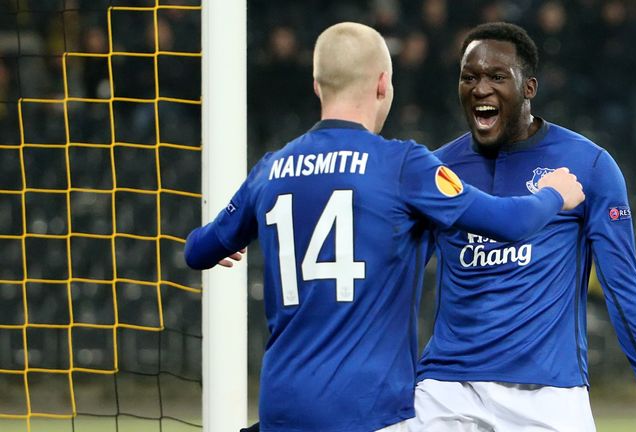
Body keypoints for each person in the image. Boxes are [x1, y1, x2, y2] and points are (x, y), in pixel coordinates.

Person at [184, 22, 585, 432]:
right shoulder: (402, 165)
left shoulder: (270, 170)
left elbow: (197, 251)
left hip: (281, 409)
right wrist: (553, 194)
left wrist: (228, 241)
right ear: (382, 84)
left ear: (318, 86)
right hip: (367, 413)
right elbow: (510, 223)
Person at [409, 22, 636, 432]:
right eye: (469, 77)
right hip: (447, 391)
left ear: (529, 87)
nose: (480, 88)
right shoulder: (439, 169)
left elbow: (623, 285)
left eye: (497, 77)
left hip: (548, 396)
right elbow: (396, 278)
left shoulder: (588, 165)